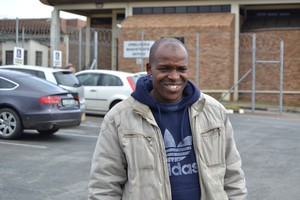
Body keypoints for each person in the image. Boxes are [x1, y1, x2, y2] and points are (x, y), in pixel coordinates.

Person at [88, 37, 247, 200]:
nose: (174, 76)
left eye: (181, 69)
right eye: (165, 68)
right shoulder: (119, 118)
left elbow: (233, 178)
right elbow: (104, 187)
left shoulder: (214, 112)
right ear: (150, 69)